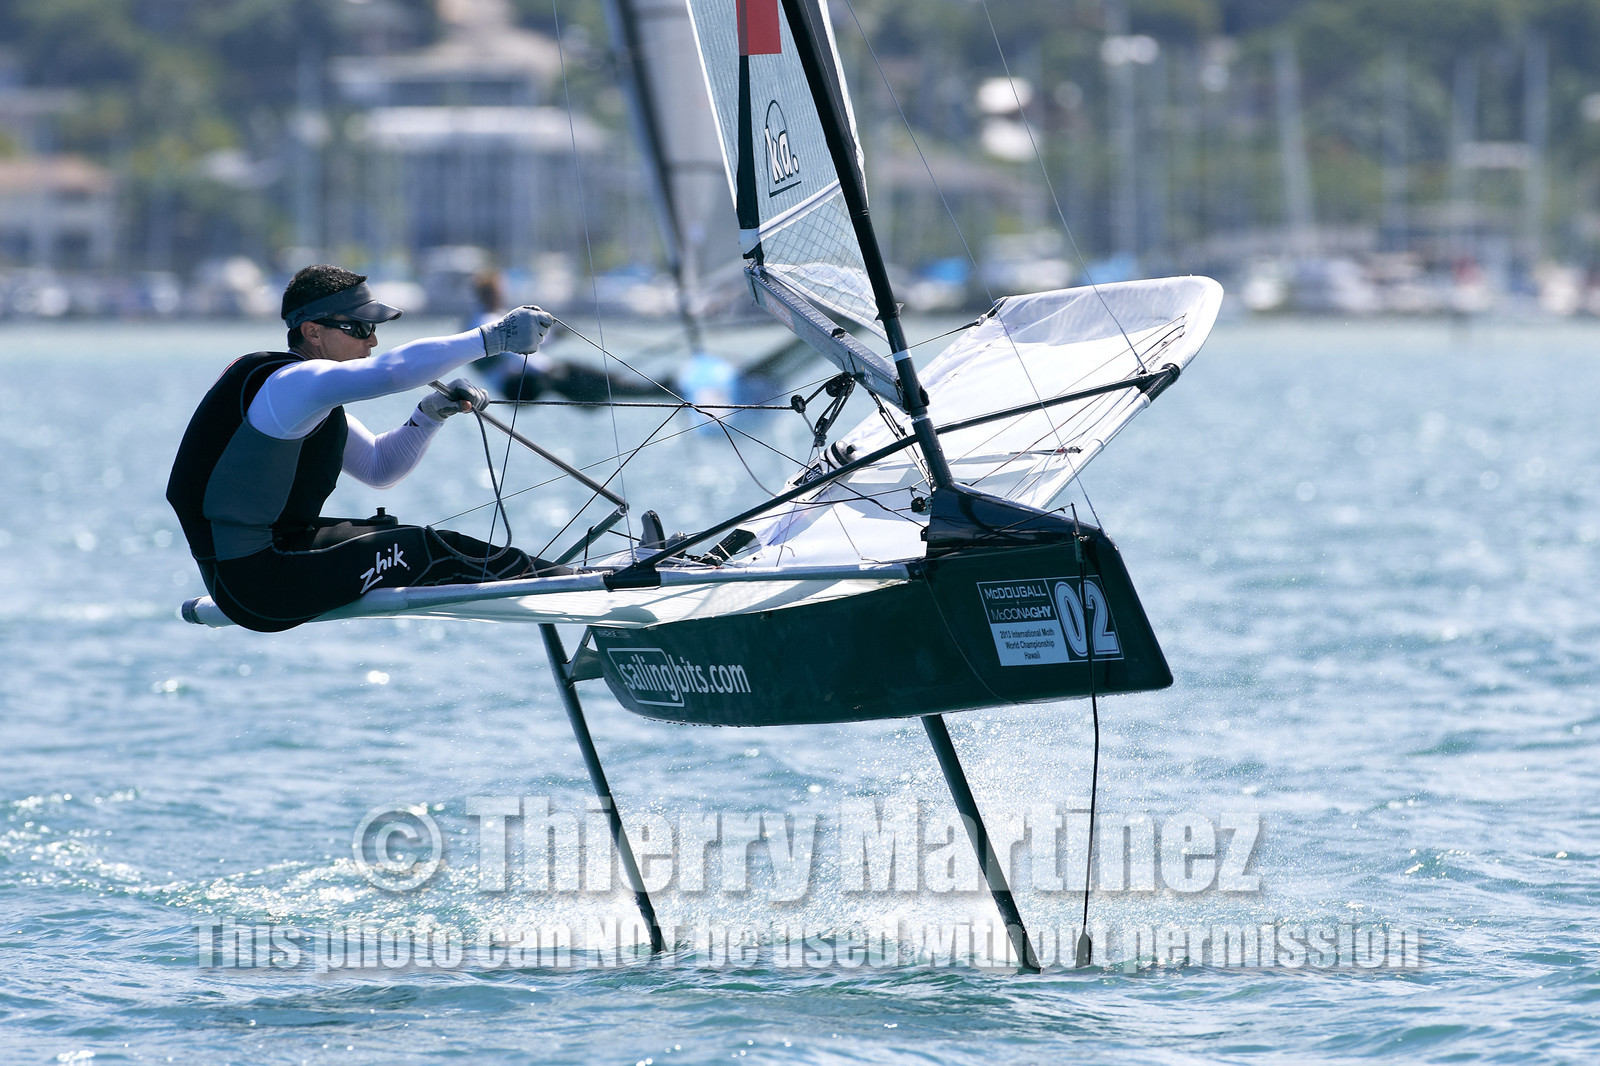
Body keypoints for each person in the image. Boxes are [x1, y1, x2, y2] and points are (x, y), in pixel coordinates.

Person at [167, 264, 562, 633]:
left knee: (403, 536)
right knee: (433, 550)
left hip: (254, 575)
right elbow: (391, 371)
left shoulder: (301, 401)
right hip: (263, 583)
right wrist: (493, 338)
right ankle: (567, 585)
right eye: (358, 327)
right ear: (312, 332)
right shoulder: (290, 386)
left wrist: (428, 415)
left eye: (373, 328)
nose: (372, 339)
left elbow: (379, 467)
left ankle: (561, 580)